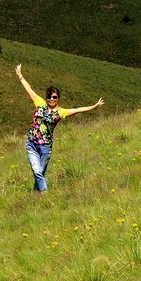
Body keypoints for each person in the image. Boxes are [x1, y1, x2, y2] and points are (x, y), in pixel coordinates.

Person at [14, 64, 104, 192]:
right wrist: (20, 76)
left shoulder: (61, 112)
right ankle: (45, 195)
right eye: (49, 96)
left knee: (40, 175)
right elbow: (29, 89)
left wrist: (94, 106)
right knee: (37, 172)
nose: (51, 99)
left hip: (46, 147)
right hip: (32, 144)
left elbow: (78, 110)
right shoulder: (39, 103)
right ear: (46, 98)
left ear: (58, 99)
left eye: (54, 97)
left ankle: (35, 197)